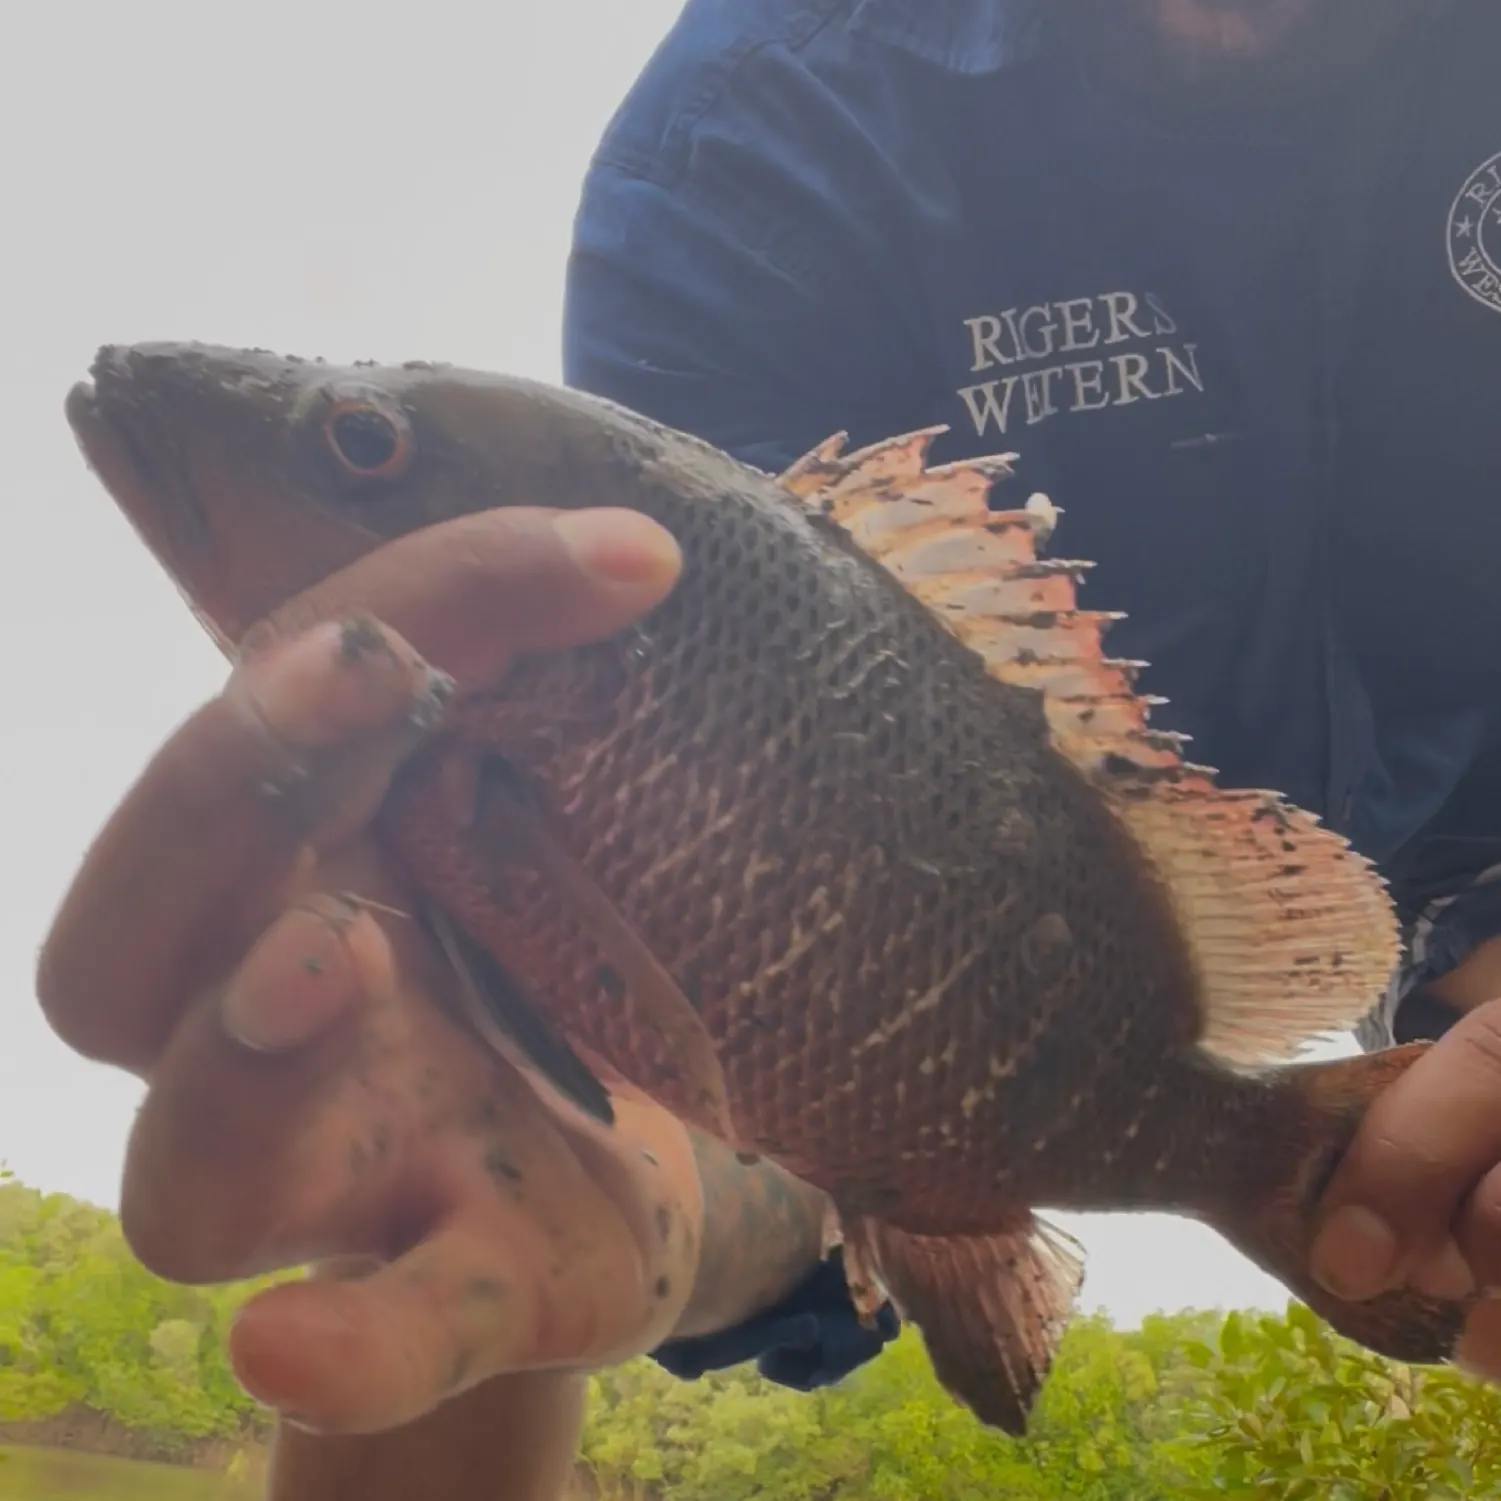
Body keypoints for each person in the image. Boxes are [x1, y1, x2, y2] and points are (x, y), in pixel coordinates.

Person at [35, 0, 1501, 1496]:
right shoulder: (757, 138)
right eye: (360, 450)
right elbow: (724, 1102)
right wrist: (614, 1192)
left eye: (360, 446)